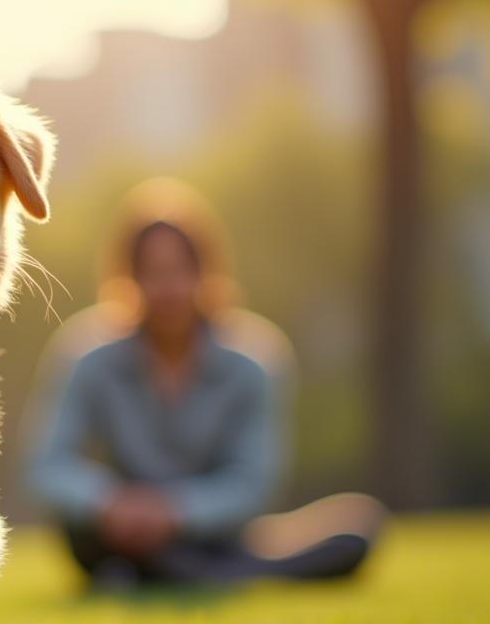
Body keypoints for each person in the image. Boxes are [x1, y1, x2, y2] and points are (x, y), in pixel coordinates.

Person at [26, 178, 385, 587]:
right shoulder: (87, 356)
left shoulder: (255, 360)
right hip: (119, 532)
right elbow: (47, 466)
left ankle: (173, 572)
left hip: (217, 536)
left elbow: (252, 482)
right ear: (129, 277)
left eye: (179, 270)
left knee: (357, 526)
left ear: (206, 272)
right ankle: (208, 574)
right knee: (81, 532)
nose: (168, 287)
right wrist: (110, 503)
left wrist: (176, 513)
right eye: (153, 272)